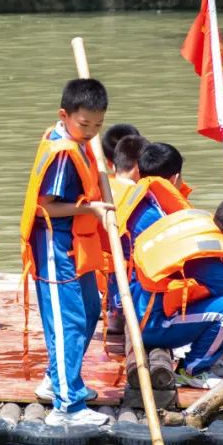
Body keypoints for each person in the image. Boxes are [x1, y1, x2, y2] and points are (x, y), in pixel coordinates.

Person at [121, 145, 223, 387]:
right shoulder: (219, 258)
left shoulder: (198, 225)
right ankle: (193, 370)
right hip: (153, 327)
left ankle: (204, 358)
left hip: (136, 313)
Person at [19, 78, 113, 427]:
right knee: (68, 321)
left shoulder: (76, 141)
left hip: (77, 245)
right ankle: (67, 407)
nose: (90, 132)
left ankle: (56, 380)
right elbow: (47, 207)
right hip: (55, 248)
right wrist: (92, 209)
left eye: (98, 125)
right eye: (84, 124)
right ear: (65, 115)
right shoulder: (62, 153)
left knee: (89, 311)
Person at [104, 133, 149, 333]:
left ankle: (113, 312)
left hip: (102, 274)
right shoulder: (139, 196)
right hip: (126, 283)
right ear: (140, 167)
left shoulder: (102, 188)